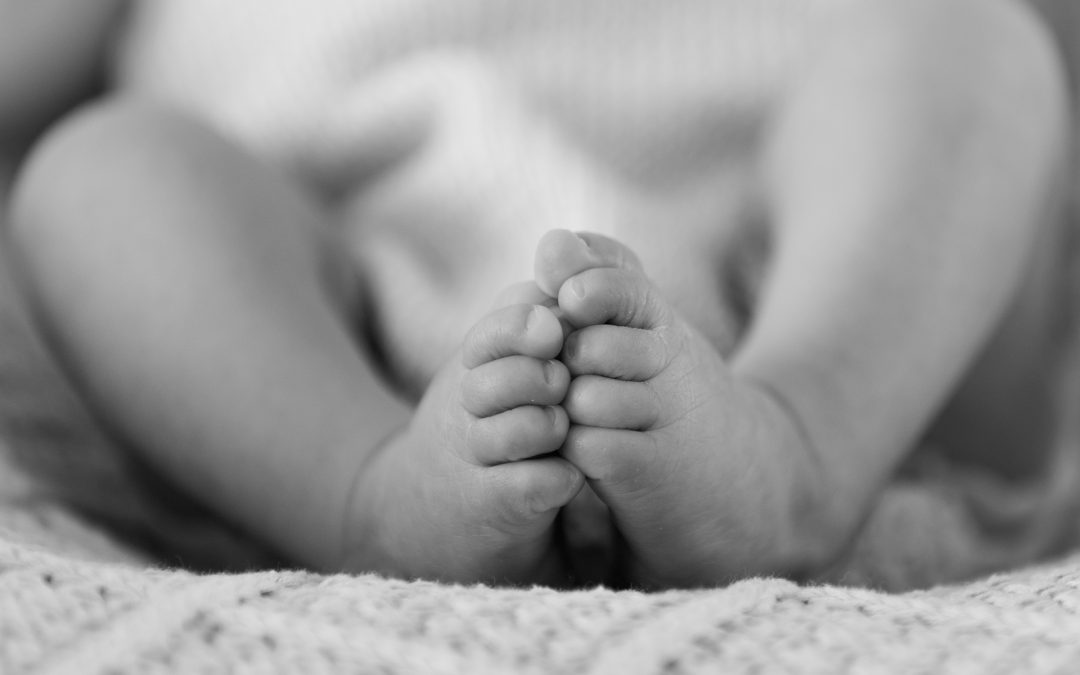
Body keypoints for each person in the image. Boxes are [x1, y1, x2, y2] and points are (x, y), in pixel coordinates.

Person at [1, 0, 1073, 588]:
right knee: (97, 174)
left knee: (968, 41)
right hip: (341, 310)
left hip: (818, 271)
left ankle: (795, 456)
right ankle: (372, 499)